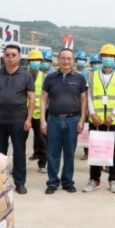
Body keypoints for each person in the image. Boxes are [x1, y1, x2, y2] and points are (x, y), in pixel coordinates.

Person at [0, 44, 35, 195]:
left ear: (19, 57)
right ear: (3, 57)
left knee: (19, 152)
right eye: (7, 55)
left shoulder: (26, 75)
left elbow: (32, 98)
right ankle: (0, 183)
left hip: (19, 120)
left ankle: (20, 183)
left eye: (13, 55)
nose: (10, 57)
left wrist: (29, 119)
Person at [40, 48, 88, 194]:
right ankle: (52, 183)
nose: (66, 61)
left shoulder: (79, 79)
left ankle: (67, 182)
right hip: (53, 120)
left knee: (69, 153)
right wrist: (43, 120)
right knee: (52, 153)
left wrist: (82, 120)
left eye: (69, 58)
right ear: (58, 60)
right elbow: (43, 99)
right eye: (63, 58)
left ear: (73, 61)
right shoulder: (50, 78)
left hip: (72, 120)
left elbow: (84, 100)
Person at [84, 43, 115, 194]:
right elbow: (88, 97)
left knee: (113, 150)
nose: (108, 58)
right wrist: (92, 113)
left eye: (111, 56)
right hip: (95, 120)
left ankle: (113, 179)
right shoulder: (92, 75)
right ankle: (94, 180)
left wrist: (113, 115)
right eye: (105, 56)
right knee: (95, 150)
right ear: (101, 57)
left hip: (112, 121)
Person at [27, 49, 47, 174]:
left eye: (38, 60)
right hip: (24, 113)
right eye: (33, 60)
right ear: (29, 62)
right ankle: (19, 164)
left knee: (42, 140)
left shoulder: (45, 77)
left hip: (40, 114)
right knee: (20, 140)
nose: (36, 62)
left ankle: (42, 164)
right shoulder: (23, 76)